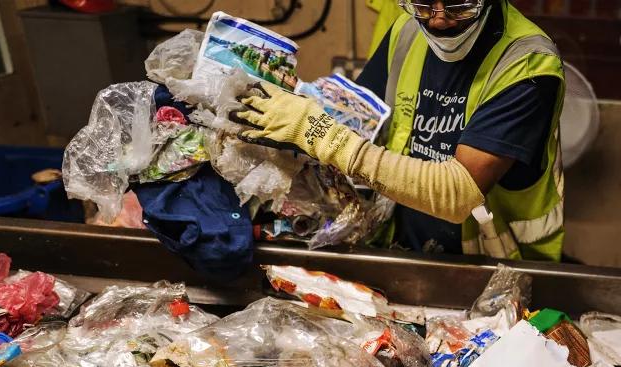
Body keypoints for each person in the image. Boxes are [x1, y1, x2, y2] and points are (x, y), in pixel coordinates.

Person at [230, 0, 566, 260]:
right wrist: (297, 103)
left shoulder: (527, 63)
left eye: (458, 5)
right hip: (407, 250)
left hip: (496, 268)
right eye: (422, 3)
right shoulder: (407, 31)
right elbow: (359, 122)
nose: (437, 18)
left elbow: (459, 193)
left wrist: (317, 131)